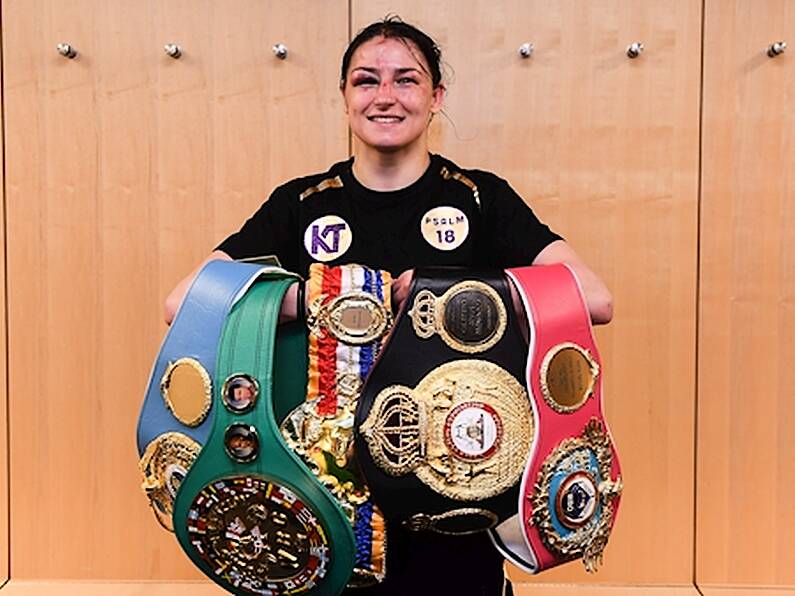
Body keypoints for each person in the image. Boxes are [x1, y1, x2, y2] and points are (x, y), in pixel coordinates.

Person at [165, 16, 612, 596]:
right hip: (324, 486)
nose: (385, 97)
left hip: (455, 479)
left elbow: (594, 298)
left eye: (406, 80)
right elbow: (184, 304)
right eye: (365, 80)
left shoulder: (478, 198)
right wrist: (313, 298)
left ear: (435, 97)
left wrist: (450, 295)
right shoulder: (300, 204)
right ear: (345, 97)